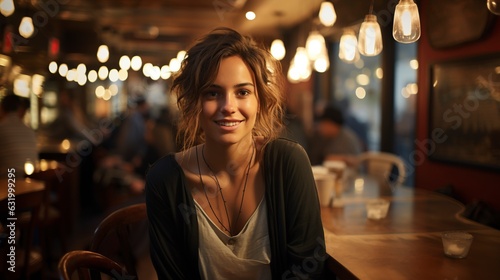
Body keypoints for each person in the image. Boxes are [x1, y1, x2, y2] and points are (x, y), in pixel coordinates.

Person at [145, 27, 328, 279]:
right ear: (193, 102)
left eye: (242, 92)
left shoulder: (288, 162)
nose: (228, 107)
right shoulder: (165, 179)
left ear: (259, 100)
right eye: (212, 93)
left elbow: (309, 269)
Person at [0, 93, 38, 178]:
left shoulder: (1, 128)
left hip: (9, 184)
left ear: (1, 108)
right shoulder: (30, 131)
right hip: (31, 184)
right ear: (19, 110)